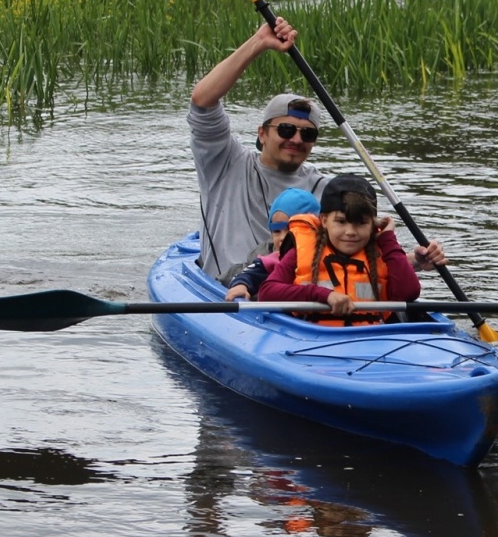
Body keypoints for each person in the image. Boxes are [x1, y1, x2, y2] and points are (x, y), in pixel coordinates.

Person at [188, 17, 331, 281]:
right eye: (286, 130)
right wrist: (259, 42)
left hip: (290, 298)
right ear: (262, 133)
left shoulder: (326, 188)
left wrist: (415, 259)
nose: (297, 139)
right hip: (224, 291)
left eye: (308, 133)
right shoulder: (225, 163)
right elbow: (202, 101)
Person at [258, 175, 441, 325]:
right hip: (311, 337)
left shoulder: (383, 251)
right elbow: (267, 293)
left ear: (372, 225)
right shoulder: (302, 250)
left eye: (361, 223)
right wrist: (323, 295)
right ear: (323, 220)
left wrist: (388, 239)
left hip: (372, 340)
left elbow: (408, 292)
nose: (351, 232)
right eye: (341, 221)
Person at [223, 187, 322, 301]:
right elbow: (250, 274)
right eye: (276, 231)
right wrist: (241, 285)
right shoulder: (273, 260)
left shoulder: (329, 255)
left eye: (291, 230)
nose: (282, 238)